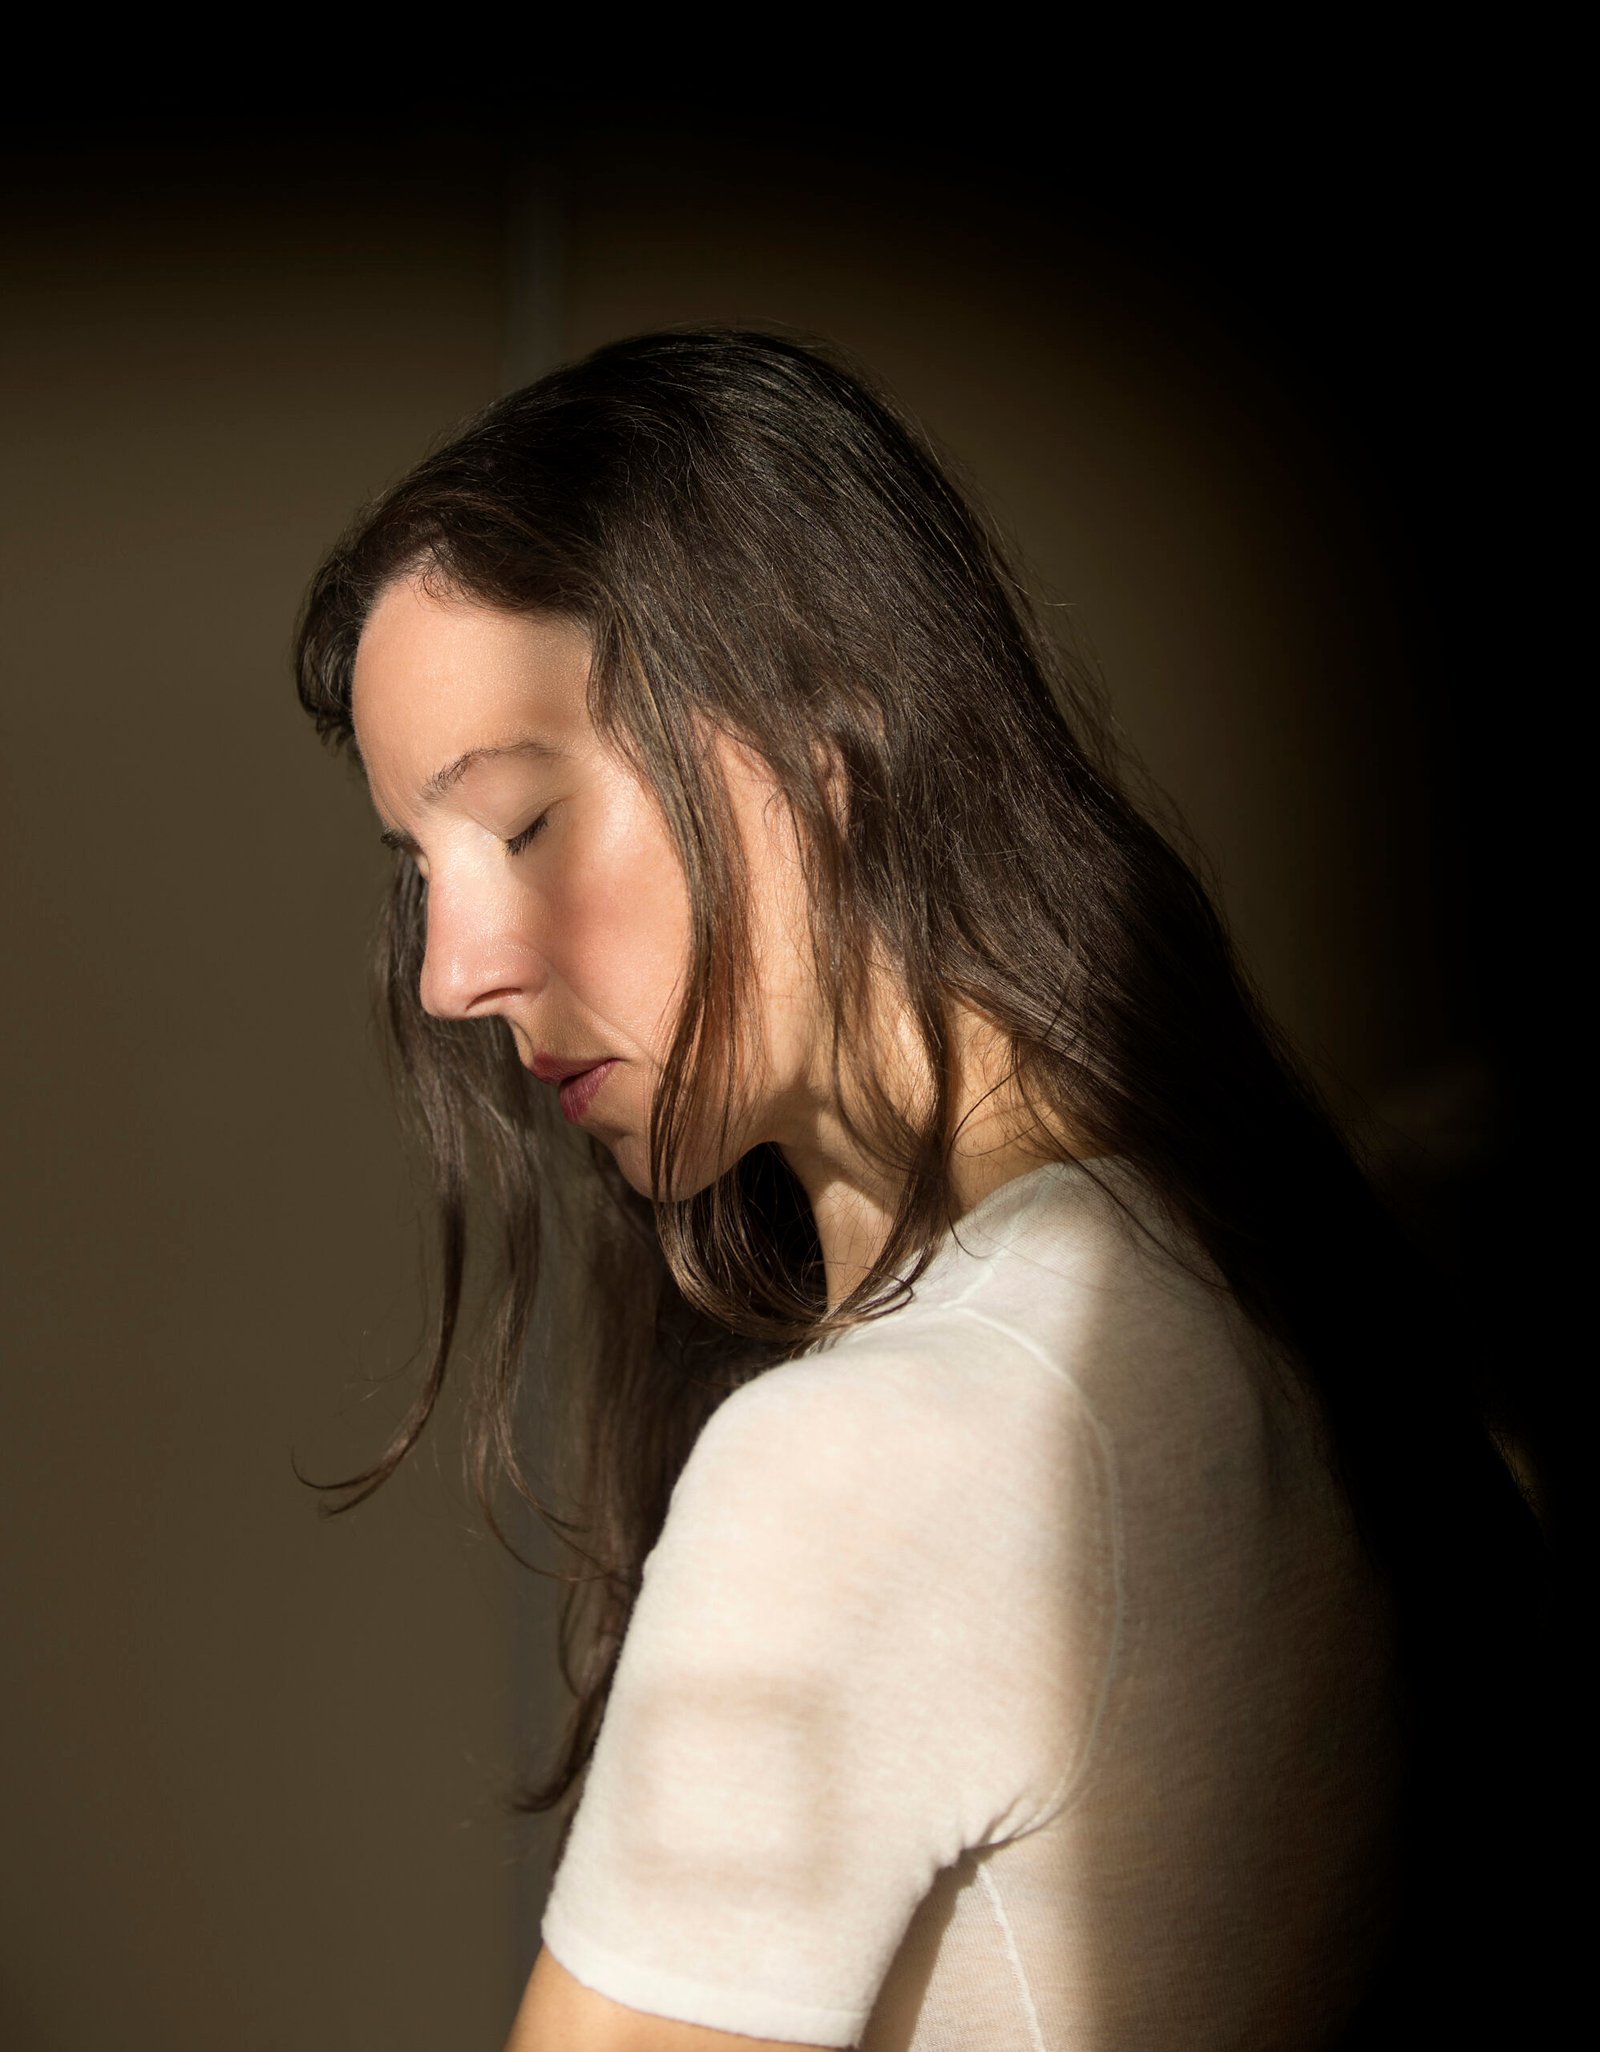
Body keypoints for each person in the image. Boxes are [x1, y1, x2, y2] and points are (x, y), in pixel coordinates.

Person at [294, 330, 1550, 2050]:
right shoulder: (1238, 1279)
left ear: (823, 735)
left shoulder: (890, 1450)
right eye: (418, 870)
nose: (450, 973)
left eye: (519, 826)